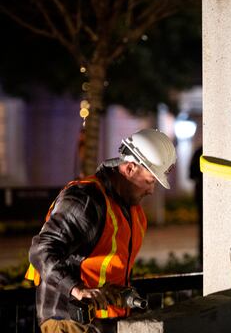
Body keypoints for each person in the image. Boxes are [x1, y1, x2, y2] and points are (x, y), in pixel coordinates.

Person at [26, 128, 177, 333]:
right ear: (130, 168)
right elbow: (41, 251)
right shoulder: (86, 199)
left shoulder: (129, 209)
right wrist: (77, 290)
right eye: (150, 181)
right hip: (69, 321)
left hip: (103, 322)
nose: (151, 190)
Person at [189, 146, 203, 264]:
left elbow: (191, 174)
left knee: (203, 228)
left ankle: (202, 258)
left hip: (201, 195)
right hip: (203, 195)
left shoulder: (199, 152)